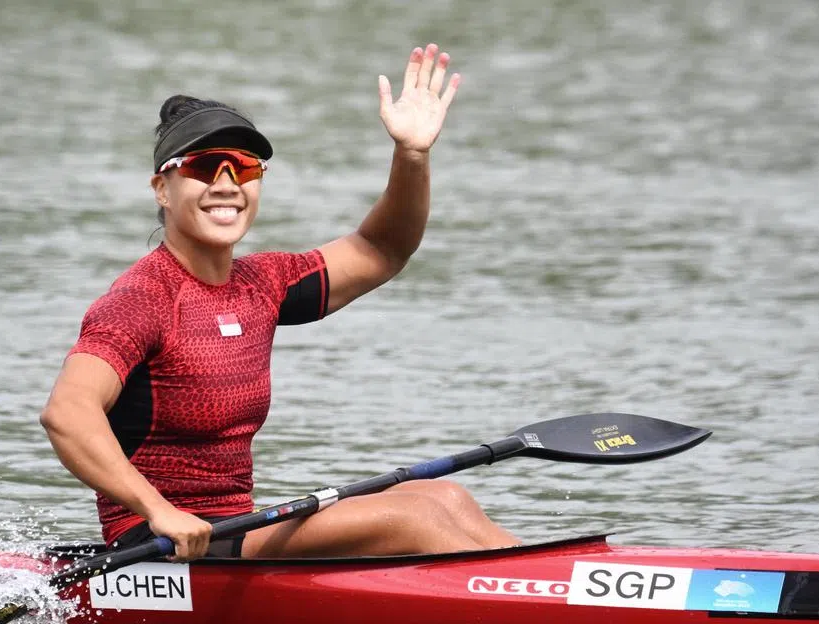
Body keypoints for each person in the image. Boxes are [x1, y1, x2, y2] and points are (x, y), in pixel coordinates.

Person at [41, 43, 519, 562]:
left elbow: (382, 248)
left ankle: (552, 585)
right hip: (162, 544)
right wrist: (158, 510)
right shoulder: (142, 300)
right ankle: (538, 617)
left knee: (444, 495)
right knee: (412, 517)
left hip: (237, 528)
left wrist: (412, 155)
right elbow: (67, 413)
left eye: (244, 169)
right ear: (162, 188)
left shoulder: (262, 284)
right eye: (205, 167)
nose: (226, 185)